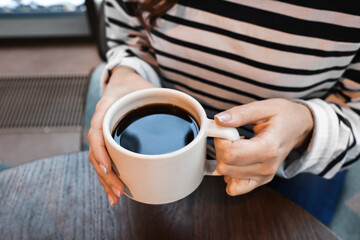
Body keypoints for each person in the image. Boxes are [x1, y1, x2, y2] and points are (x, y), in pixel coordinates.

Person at [88, 0, 360, 223]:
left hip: (294, 161)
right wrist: (126, 73)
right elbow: (129, 37)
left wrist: (305, 125)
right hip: (157, 168)